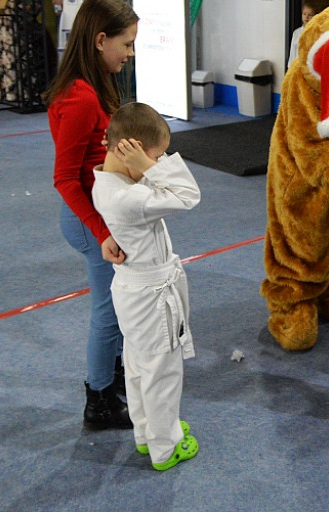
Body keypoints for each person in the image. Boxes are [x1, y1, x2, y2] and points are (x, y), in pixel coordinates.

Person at [43, 0, 136, 429]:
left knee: (115, 306)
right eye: (127, 44)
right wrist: (102, 233)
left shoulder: (95, 84)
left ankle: (113, 374)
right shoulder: (79, 96)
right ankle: (98, 400)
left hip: (100, 212)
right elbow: (64, 178)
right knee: (109, 310)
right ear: (101, 40)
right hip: (88, 219)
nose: (130, 53)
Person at [92, 102, 201, 471]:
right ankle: (165, 446)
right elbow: (188, 195)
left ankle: (148, 433)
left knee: (139, 366)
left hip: (132, 290)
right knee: (162, 373)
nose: (157, 163)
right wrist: (150, 169)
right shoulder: (131, 196)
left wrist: (144, 165)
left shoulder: (106, 183)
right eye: (155, 156)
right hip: (152, 297)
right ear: (132, 152)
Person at [286, 3, 316, 70]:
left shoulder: (318, 33)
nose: (306, 17)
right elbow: (292, 53)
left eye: (310, 15)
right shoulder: (296, 33)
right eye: (304, 14)